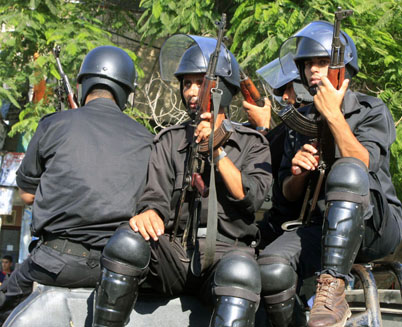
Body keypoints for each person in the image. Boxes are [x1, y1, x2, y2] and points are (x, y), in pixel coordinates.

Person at [91, 35, 272, 327]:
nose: (190, 91)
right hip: (176, 253)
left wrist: (217, 150)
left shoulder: (253, 143)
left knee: (242, 270)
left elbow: (249, 196)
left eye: (200, 83)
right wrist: (149, 211)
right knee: (126, 241)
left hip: (228, 254)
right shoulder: (169, 140)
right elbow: (155, 195)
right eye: (186, 83)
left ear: (222, 89)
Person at [257, 20, 402, 327]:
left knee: (348, 171)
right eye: (308, 63)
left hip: (371, 224)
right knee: (270, 268)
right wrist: (298, 172)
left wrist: (334, 116)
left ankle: (333, 287)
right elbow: (286, 192)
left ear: (343, 67)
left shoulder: (371, 110)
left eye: (322, 63)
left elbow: (363, 163)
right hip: (320, 226)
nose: (313, 70)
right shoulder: (301, 118)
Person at [0, 45, 153, 324]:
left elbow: (26, 194)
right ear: (125, 92)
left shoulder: (54, 124)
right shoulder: (146, 138)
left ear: (84, 84)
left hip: (54, 262)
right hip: (117, 270)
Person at [243, 57, 313, 248]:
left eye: (288, 88)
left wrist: (262, 127)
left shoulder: (304, 127)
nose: (283, 97)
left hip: (288, 226)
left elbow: (262, 162)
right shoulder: (294, 126)